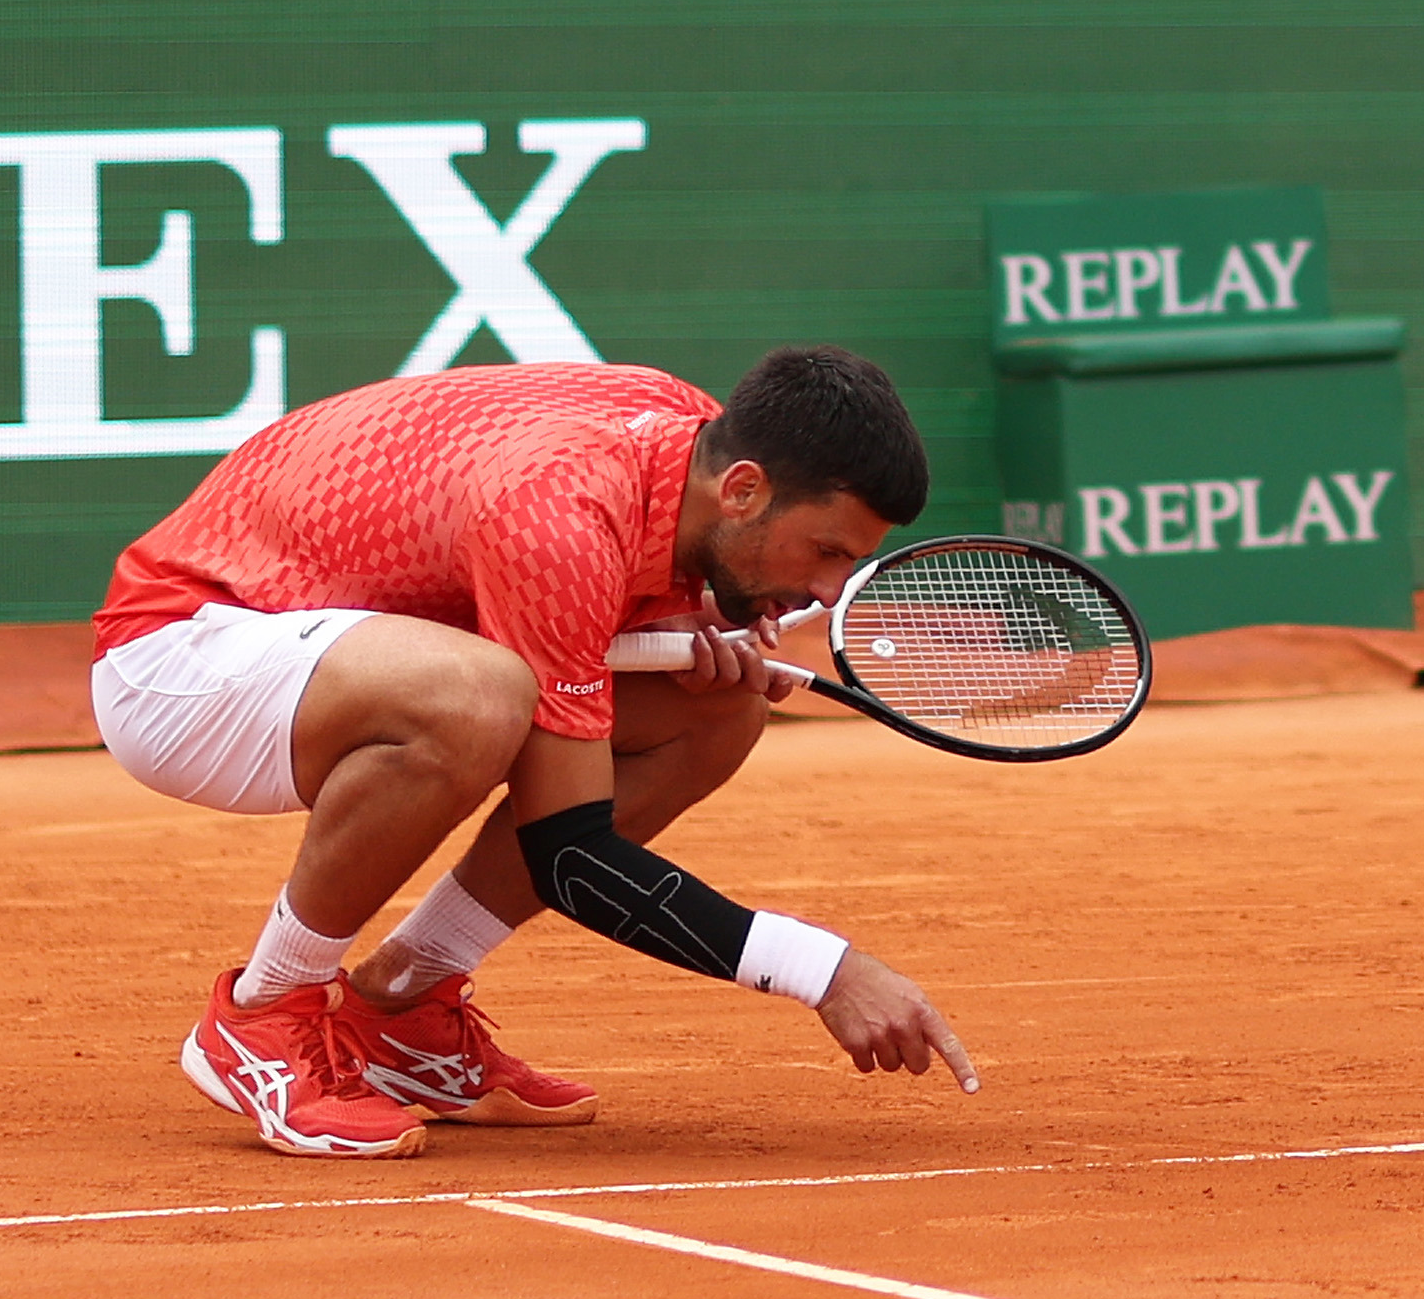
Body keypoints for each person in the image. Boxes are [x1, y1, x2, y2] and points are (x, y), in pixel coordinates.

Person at [89, 345, 977, 1159]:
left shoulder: (686, 439)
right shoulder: (559, 512)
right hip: (183, 652)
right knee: (477, 698)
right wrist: (823, 971)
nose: (825, 590)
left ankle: (401, 1010)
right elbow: (571, 855)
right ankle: (264, 1010)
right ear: (742, 490)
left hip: (332, 640)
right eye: (824, 551)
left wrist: (687, 625)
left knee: (715, 712)